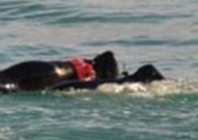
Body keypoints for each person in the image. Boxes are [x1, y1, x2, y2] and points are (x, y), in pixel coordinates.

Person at [0, 51, 165, 94]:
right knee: (58, 91)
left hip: (21, 78)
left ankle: (141, 76)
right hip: (26, 76)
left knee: (59, 91)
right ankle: (139, 77)